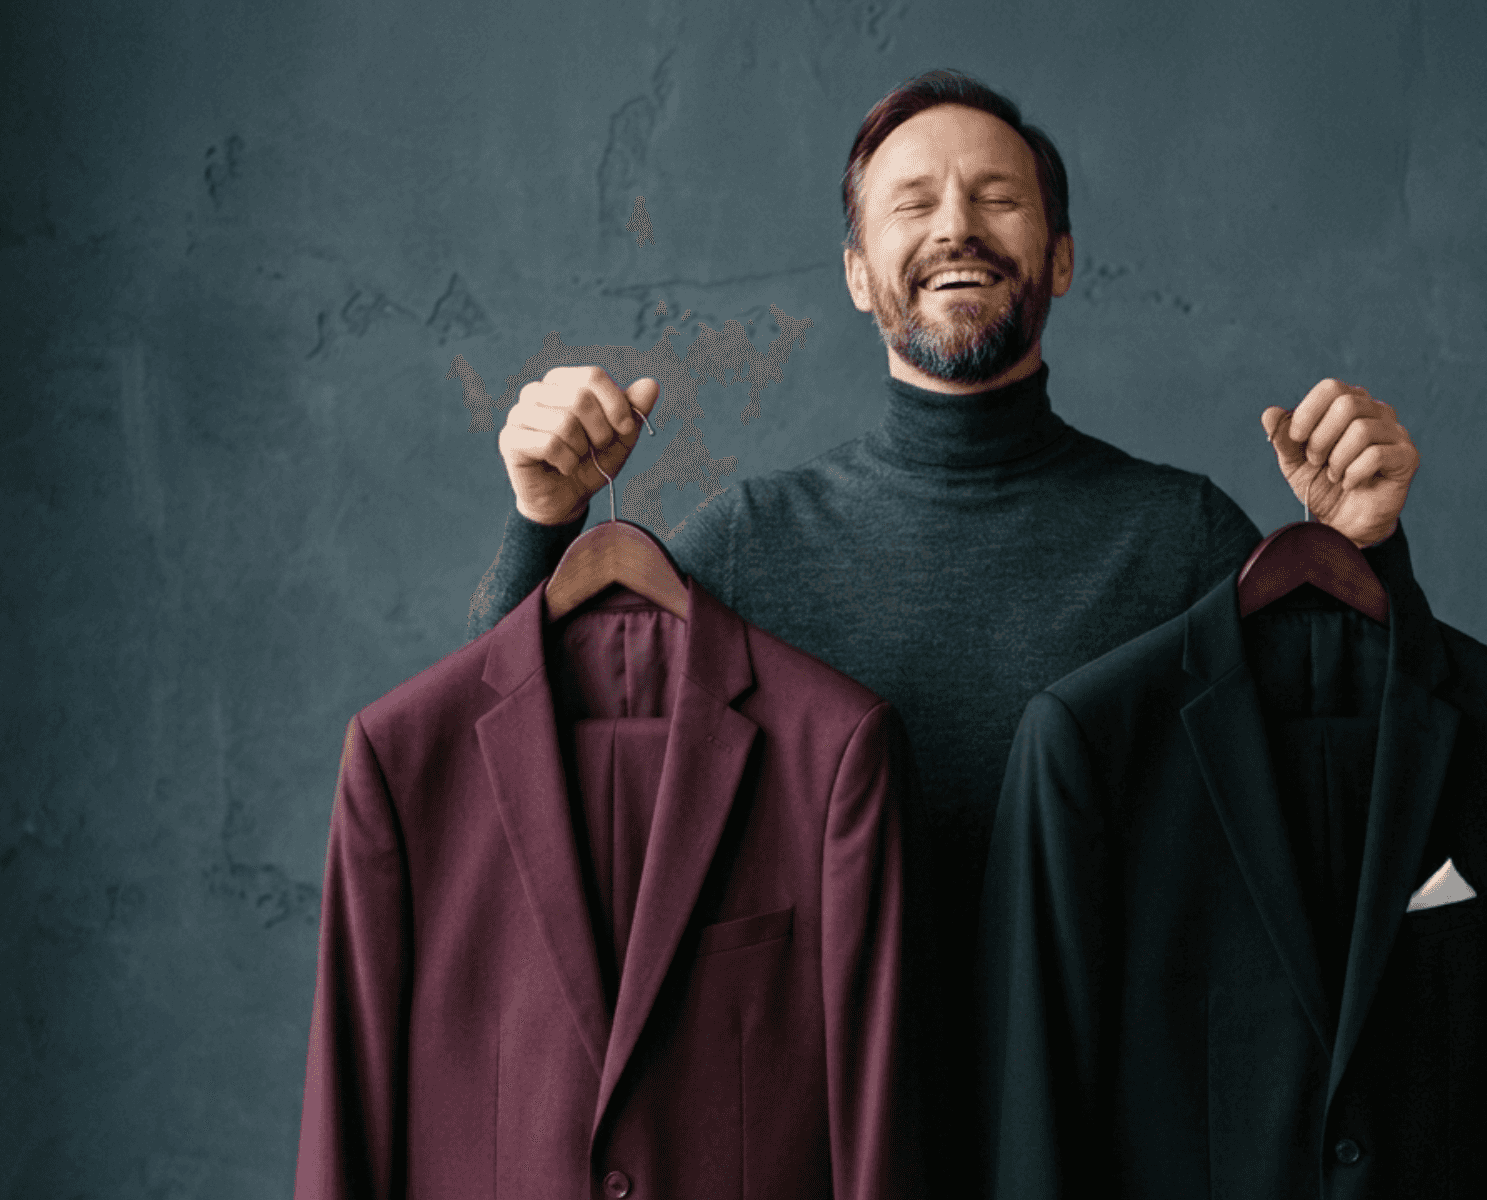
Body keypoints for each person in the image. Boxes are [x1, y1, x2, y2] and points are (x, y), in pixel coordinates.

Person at [466, 68, 1419, 1197]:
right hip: (819, 1154)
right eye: (913, 202)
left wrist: (1367, 555)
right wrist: (543, 524)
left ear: (1062, 257)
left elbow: (1366, 815)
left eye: (996, 198)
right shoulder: (748, 544)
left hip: (1112, 1154)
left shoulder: (1180, 539)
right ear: (859, 274)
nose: (956, 225)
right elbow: (511, 781)